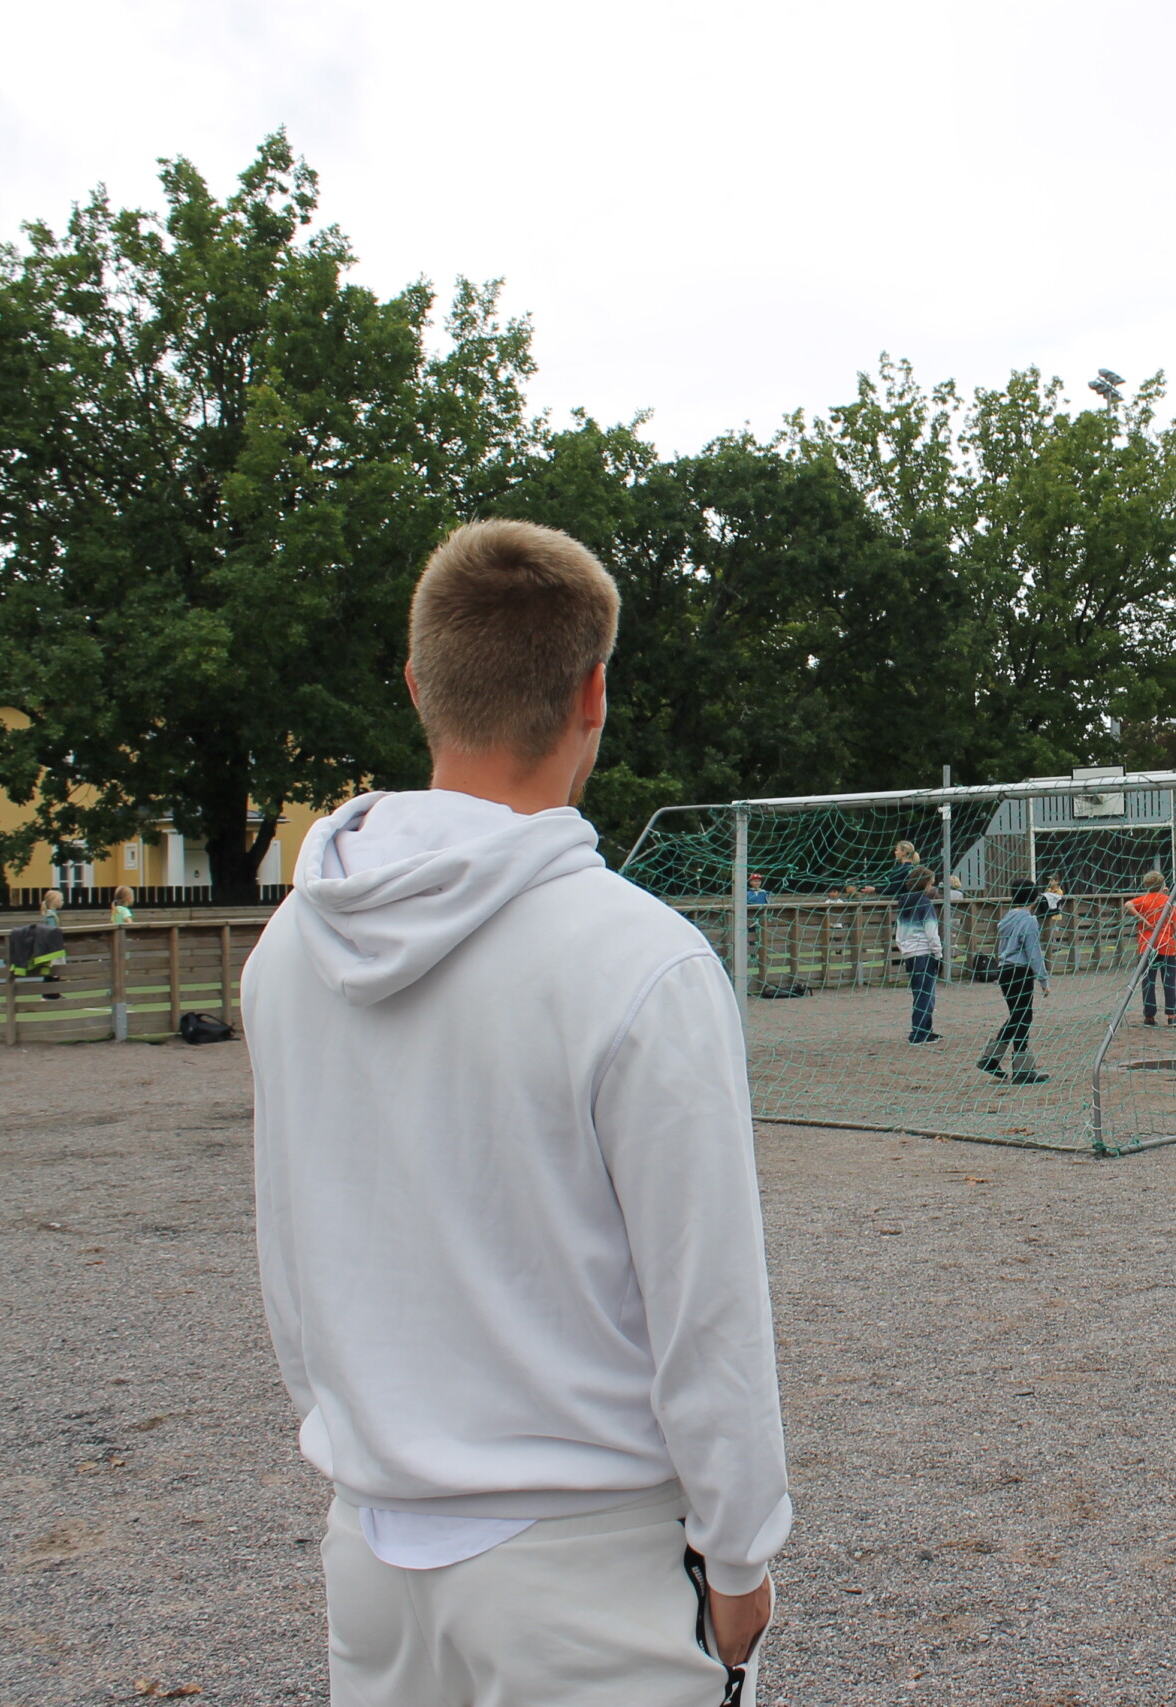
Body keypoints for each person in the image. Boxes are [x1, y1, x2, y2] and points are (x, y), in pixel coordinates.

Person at [245, 519, 788, 1707]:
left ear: (417, 685)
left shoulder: (289, 947)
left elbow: (288, 1246)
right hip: (584, 1568)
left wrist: (362, 1437)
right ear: (594, 691)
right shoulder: (637, 956)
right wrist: (741, 1548)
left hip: (372, 1547)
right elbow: (705, 1300)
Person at [979, 881, 1050, 1083]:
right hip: (1020, 972)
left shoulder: (1007, 919)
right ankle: (1021, 1069)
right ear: (1035, 898)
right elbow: (1033, 952)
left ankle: (992, 1059)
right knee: (1023, 1016)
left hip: (1004, 971)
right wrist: (1043, 979)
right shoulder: (1029, 921)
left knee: (1017, 1016)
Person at [1126, 870, 1176, 1026]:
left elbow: (1128, 904)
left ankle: (1149, 1017)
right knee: (1169, 980)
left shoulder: (1143, 900)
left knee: (1148, 981)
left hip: (1147, 946)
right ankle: (1172, 1016)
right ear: (1162, 885)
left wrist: (1142, 919)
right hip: (1167, 945)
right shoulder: (1168, 901)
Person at [897, 864, 943, 1043]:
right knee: (926, 994)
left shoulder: (903, 903)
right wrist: (938, 954)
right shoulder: (925, 904)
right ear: (924, 884)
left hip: (909, 954)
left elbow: (899, 933)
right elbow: (932, 932)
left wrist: (904, 949)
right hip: (924, 954)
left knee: (919, 993)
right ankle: (918, 1033)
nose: (931, 887)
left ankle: (926, 1029)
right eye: (930, 884)